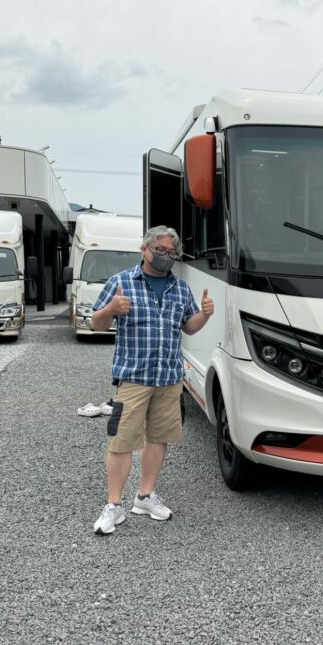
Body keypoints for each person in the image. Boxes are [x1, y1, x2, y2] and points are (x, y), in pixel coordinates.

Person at [89, 225, 214, 534]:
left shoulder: (180, 288)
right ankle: (114, 505)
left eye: (172, 252)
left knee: (158, 438)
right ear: (144, 249)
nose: (166, 256)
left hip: (169, 378)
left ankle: (145, 496)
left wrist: (205, 314)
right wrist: (111, 309)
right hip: (133, 378)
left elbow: (189, 326)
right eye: (160, 250)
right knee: (121, 441)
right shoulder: (121, 283)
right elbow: (96, 324)